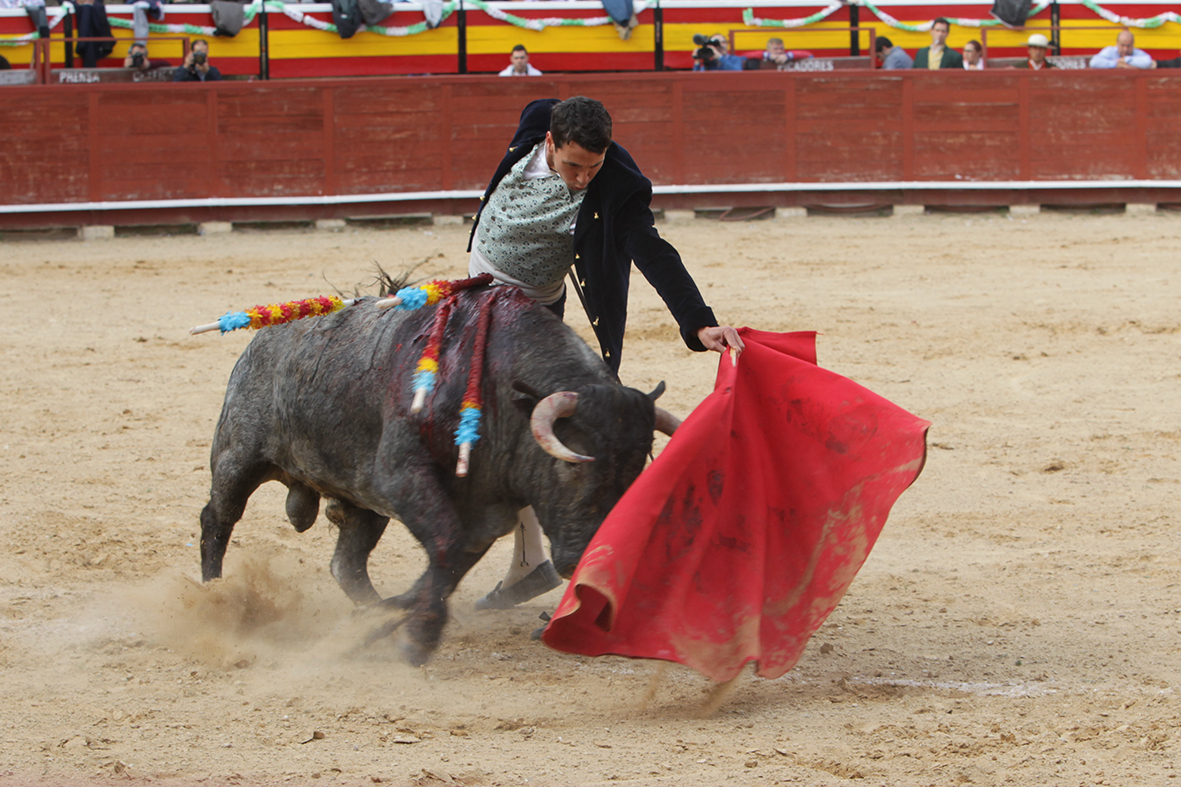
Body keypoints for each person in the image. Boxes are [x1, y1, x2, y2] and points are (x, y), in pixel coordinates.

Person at [467, 96, 744, 611]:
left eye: (592, 167)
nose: (581, 178)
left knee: (524, 434)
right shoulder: (534, 120)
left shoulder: (617, 186)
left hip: (529, 317)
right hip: (473, 296)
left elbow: (654, 251)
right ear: (549, 143)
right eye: (573, 164)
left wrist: (698, 321)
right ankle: (528, 563)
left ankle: (545, 560)